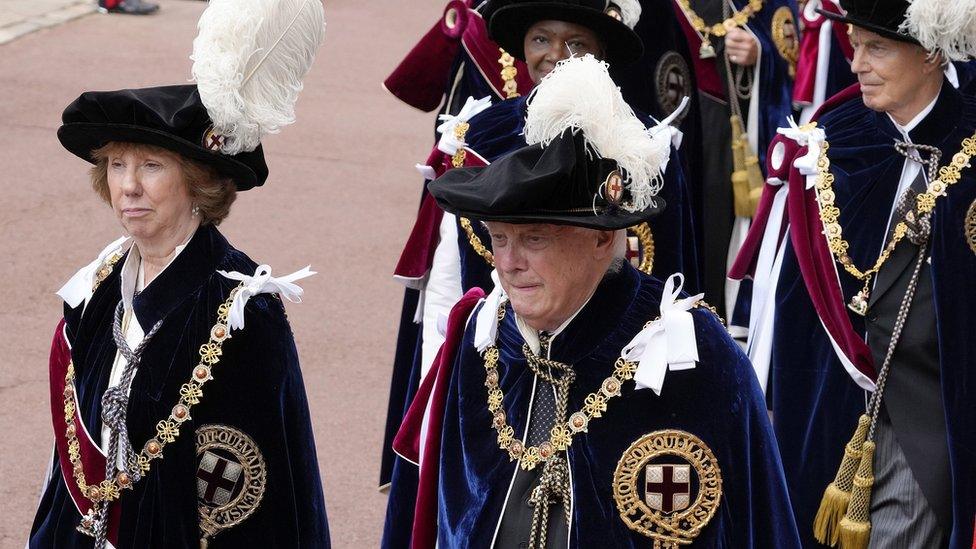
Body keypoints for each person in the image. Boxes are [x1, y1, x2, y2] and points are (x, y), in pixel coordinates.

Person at [392, 54, 799, 549]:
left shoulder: (692, 354)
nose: (509, 263)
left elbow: (763, 527)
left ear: (604, 240)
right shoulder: (482, 337)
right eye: (499, 239)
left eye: (534, 239)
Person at [28, 0, 330, 546]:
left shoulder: (241, 305)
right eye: (117, 166)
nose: (128, 187)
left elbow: (253, 484)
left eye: (151, 166)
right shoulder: (99, 285)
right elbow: (69, 459)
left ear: (197, 182)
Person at [730, 0, 976, 546]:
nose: (857, 63)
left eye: (878, 48)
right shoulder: (836, 138)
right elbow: (793, 290)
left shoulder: (970, 147)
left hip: (929, 420)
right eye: (855, 45)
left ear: (933, 52)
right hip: (830, 413)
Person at [671, 0, 797, 332]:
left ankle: (727, 324)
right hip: (680, 133)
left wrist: (762, 53)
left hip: (736, 138)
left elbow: (800, 59)